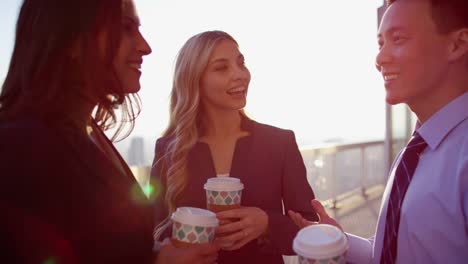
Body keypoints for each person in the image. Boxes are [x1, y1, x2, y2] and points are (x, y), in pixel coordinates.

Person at [0, 0, 218, 263]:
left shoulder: (88, 133)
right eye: (126, 28)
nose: (145, 47)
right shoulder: (19, 149)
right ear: (71, 39)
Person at [288, 0, 468, 263]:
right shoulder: (418, 149)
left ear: (457, 44)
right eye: (381, 43)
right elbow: (399, 253)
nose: (380, 59)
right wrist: (341, 241)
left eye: (398, 39)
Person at [150, 30, 318, 264]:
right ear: (194, 78)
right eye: (222, 68)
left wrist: (267, 224)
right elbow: (154, 236)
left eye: (241, 63)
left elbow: (312, 229)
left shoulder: (280, 143)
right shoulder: (168, 150)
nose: (240, 75)